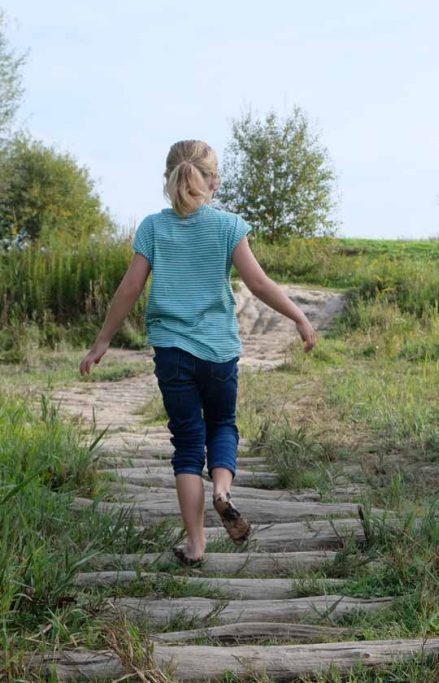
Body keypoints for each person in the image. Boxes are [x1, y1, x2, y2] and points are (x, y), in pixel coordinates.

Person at [79, 139, 318, 564]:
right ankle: (222, 491)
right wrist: (299, 317)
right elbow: (259, 284)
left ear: (168, 180)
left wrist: (102, 341)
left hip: (171, 352)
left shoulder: (153, 227)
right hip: (219, 351)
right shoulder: (228, 227)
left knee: (187, 444)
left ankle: (195, 545)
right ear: (214, 182)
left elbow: (130, 288)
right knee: (223, 424)